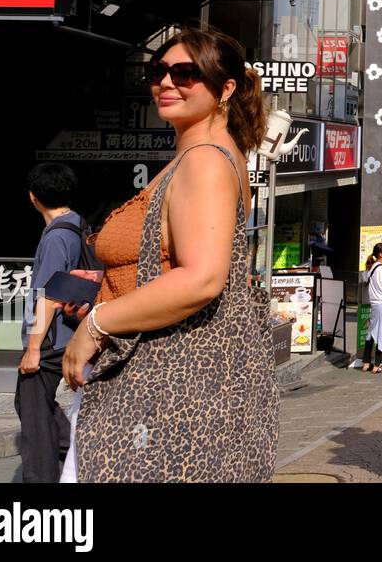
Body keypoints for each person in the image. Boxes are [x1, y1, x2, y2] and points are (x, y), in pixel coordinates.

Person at [63, 26, 278, 482]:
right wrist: (107, 287)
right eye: (157, 71)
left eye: (185, 74)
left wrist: (96, 323)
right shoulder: (208, 154)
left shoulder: (203, 160)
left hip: (161, 387)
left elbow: (202, 278)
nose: (165, 82)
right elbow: (171, 261)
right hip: (165, 389)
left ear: (226, 89)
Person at [17, 163, 85, 483]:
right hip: (67, 333)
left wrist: (32, 348)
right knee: (34, 406)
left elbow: (48, 296)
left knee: (32, 418)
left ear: (33, 197)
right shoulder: (77, 226)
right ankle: (78, 449)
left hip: (49, 338)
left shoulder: (57, 236)